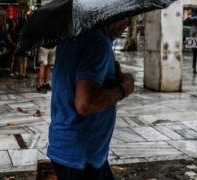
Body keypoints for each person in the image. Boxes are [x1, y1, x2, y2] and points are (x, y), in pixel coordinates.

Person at [48, 17, 134, 180]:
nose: (128, 23)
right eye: (126, 17)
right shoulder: (97, 43)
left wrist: (114, 77)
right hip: (80, 157)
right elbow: (85, 103)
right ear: (110, 13)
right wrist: (124, 89)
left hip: (75, 151)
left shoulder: (73, 37)